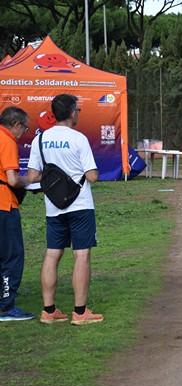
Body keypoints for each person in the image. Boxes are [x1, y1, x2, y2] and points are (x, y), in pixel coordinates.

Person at [27, 94, 103, 325]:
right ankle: (80, 313)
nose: (78, 113)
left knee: (52, 254)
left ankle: (49, 311)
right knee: (81, 255)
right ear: (72, 113)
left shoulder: (40, 140)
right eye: (77, 110)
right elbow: (92, 176)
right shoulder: (79, 139)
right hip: (80, 205)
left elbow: (32, 176)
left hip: (54, 206)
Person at [0, 107, 35, 322]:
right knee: (12, 256)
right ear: (16, 124)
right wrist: (28, 183)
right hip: (4, 205)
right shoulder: (7, 140)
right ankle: (6, 306)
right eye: (25, 127)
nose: (24, 132)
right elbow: (12, 179)